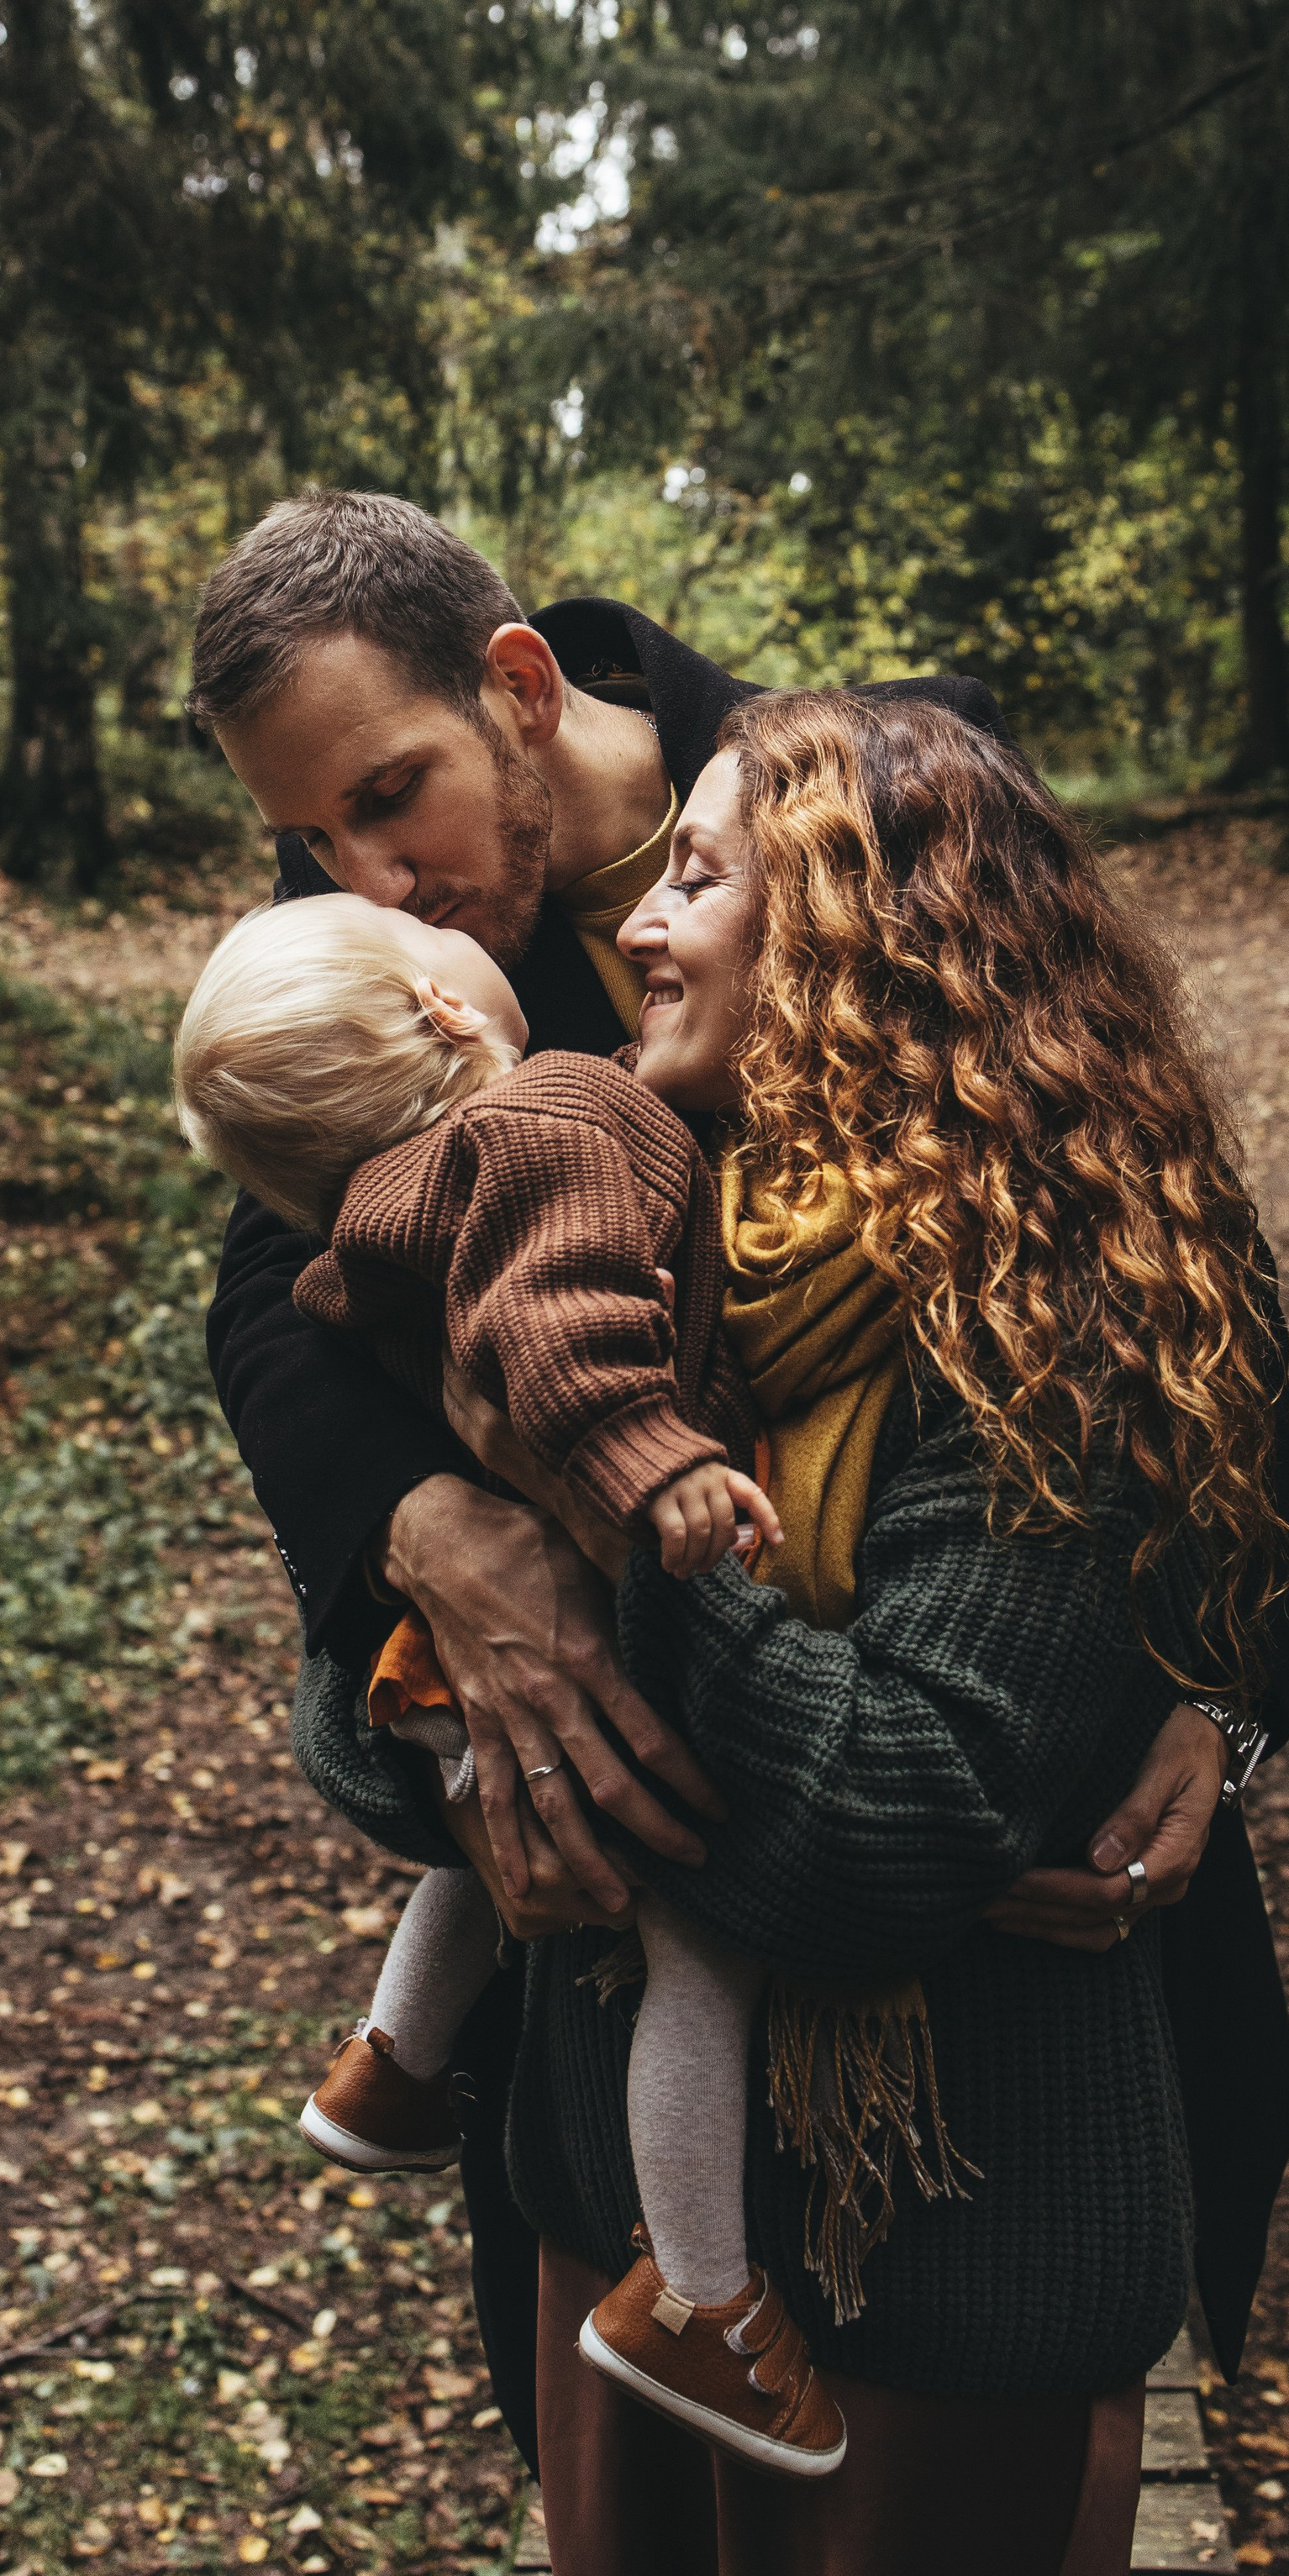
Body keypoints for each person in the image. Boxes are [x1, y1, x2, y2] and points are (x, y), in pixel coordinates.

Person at [190, 491, 1289, 2466]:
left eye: (392, 797)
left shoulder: (869, 790)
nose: (370, 874)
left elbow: (1166, 1228)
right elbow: (276, 1295)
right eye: (313, 841)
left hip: (981, 1976)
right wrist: (428, 1530)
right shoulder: (397, 974)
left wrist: (1213, 1680)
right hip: (650, 1951)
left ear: (518, 691)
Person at [171, 891, 842, 2473]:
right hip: (617, 1600)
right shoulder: (565, 1107)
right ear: (452, 1016)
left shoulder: (372, 1221)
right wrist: (654, 1462)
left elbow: (401, 1323)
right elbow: (562, 1323)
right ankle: (699, 2293)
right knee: (700, 1945)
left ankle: (395, 2069)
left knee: (499, 1847)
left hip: (442, 1670)